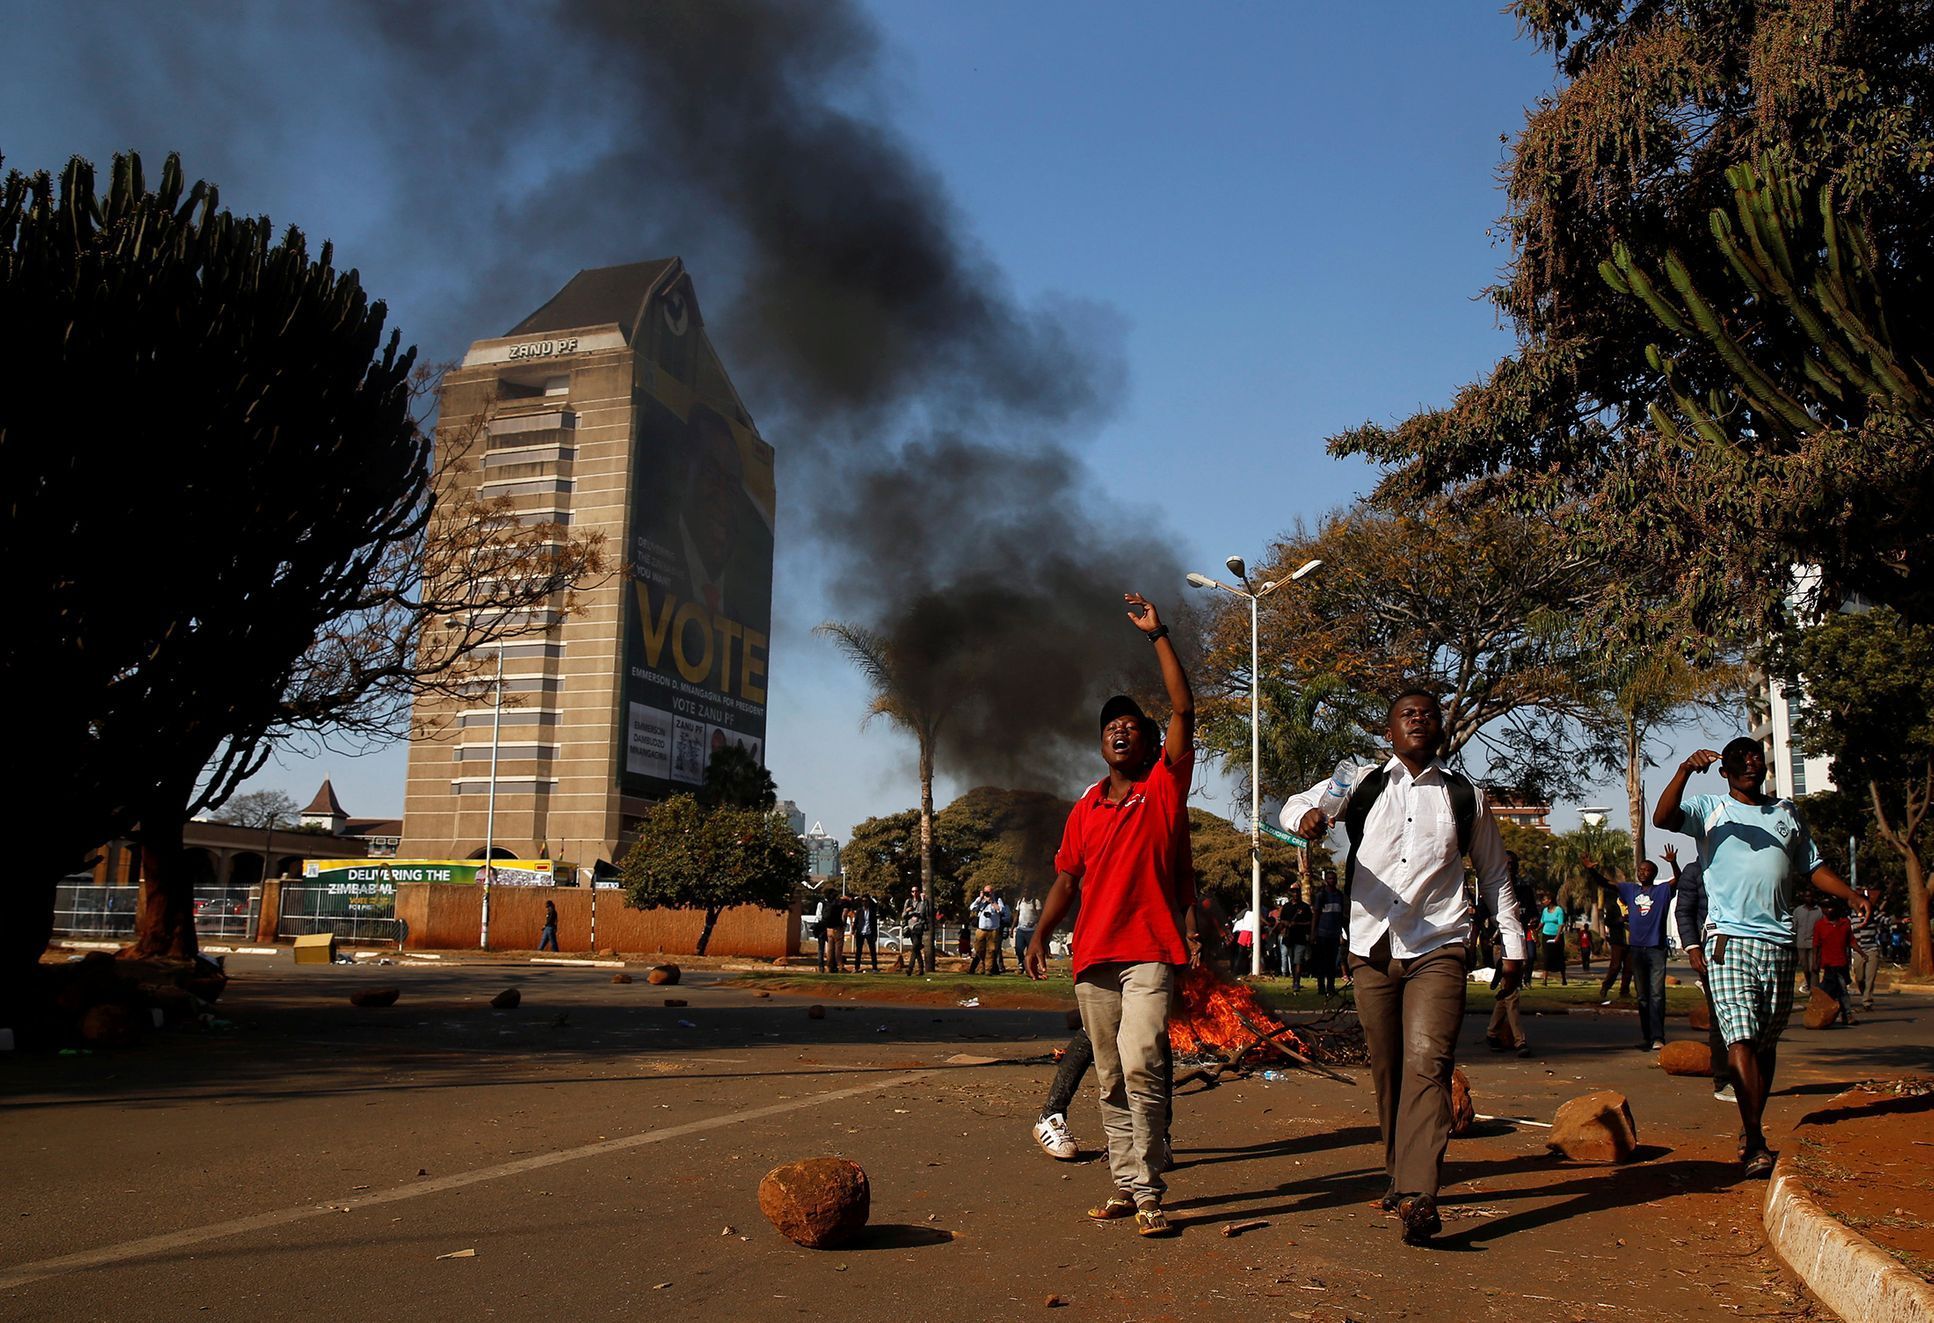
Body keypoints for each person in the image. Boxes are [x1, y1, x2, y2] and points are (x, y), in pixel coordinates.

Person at [1282, 689, 1526, 1245]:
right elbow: (1293, 804)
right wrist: (1311, 818)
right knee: (1388, 1067)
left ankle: (1420, 1193)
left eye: (1428, 714)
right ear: (1388, 730)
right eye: (1406, 714)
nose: (1419, 719)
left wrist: (1512, 943)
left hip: (1439, 945)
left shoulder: (1466, 796)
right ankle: (1398, 1173)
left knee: (1427, 1063)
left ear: (1440, 729)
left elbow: (1493, 875)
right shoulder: (1361, 783)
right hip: (1370, 948)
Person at [1027, 591, 1195, 1239]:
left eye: (1133, 725)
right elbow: (1066, 879)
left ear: (1153, 744)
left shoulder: (1163, 789)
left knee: (1145, 1062)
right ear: (1101, 744)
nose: (1121, 728)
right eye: (1110, 726)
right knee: (1110, 1079)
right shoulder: (1085, 807)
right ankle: (1128, 1186)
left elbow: (1183, 706)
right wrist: (1042, 931)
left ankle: (1150, 1189)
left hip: (1150, 953)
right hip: (1093, 958)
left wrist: (1158, 635)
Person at [1653, 738, 1870, 1177]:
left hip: (1779, 941)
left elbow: (1812, 866)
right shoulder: (1710, 809)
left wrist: (1850, 894)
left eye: (1756, 758)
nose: (1751, 764)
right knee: (1740, 1038)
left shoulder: (1787, 813)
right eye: (1740, 759)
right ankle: (1755, 1141)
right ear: (1725, 770)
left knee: (1765, 1044)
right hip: (1727, 940)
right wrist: (1682, 771)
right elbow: (1663, 818)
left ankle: (1750, 1127)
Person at [1591, 854, 1677, 1050]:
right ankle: (1647, 1037)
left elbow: (1677, 880)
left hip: (1656, 948)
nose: (1642, 873)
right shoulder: (1630, 890)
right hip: (1636, 949)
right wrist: (1591, 869)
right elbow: (1605, 883)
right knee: (1642, 996)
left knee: (1657, 995)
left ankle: (1658, 1037)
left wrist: (1673, 863)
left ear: (1654, 873)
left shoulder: (1662, 891)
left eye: (1646, 870)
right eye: (1640, 870)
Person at [1672, 854, 1736, 1102]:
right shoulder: (1694, 870)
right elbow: (1684, 911)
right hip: (1713, 950)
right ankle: (1724, 1081)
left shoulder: (1740, 863)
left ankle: (1750, 1076)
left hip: (1749, 945)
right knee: (1720, 1017)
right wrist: (1693, 948)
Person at [1485, 852, 1534, 1058]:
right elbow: (1481, 919)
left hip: (1519, 942)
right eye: (1506, 864)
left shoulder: (1524, 890)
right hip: (1500, 944)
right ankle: (1519, 1040)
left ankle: (1492, 1032)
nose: (1510, 867)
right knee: (1511, 992)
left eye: (1513, 864)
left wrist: (1534, 922)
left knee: (1507, 991)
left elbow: (1533, 914)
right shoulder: (1492, 889)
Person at [1813, 900, 1857, 1026]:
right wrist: (1815, 962)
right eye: (1825, 908)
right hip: (1828, 963)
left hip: (1842, 962)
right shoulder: (1820, 925)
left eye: (1830, 907)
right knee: (1839, 989)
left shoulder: (1845, 923)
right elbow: (1816, 945)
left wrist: (1861, 953)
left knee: (1839, 988)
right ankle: (1846, 1013)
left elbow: (1851, 941)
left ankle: (1842, 1014)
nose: (1828, 910)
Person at [1598, 871, 1633, 1004]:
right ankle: (1606, 986)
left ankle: (1625, 991)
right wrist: (1620, 920)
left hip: (1631, 940)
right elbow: (1608, 921)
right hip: (1618, 940)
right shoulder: (1613, 905)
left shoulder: (1633, 904)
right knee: (1615, 966)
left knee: (1629, 968)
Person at [1310, 875, 1346, 997]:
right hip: (1322, 934)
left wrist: (1342, 933)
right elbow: (1316, 915)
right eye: (1330, 878)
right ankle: (1321, 987)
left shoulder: (1340, 896)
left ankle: (1331, 987)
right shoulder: (1321, 896)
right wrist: (1313, 933)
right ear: (1326, 881)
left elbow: (1341, 916)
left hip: (1334, 934)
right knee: (1322, 962)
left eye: (1334, 879)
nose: (1332, 881)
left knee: (1332, 963)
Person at [1849, 888, 1883, 1011]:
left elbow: (1887, 920)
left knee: (1870, 977)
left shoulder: (1874, 914)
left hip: (1871, 949)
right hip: (1858, 951)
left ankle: (1867, 1001)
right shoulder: (1851, 916)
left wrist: (1901, 920)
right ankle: (1864, 994)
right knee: (1859, 977)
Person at [1791, 890, 1823, 994]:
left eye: (1811, 896)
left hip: (1814, 944)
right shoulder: (1798, 911)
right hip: (1801, 944)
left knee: (1814, 968)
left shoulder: (1819, 911)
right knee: (1805, 968)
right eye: (1806, 896)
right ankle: (1809, 984)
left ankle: (1815, 992)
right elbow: (1794, 927)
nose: (1809, 898)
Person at [1282, 891, 1314, 992]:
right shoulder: (1286, 906)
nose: (1295, 896)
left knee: (1298, 960)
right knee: (1292, 961)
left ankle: (1297, 983)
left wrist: (1298, 924)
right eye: (1293, 894)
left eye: (1297, 894)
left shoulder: (1304, 907)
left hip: (1300, 938)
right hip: (1289, 937)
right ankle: (1294, 981)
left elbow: (1310, 921)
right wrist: (1286, 923)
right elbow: (1281, 919)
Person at [969, 886, 1004, 974]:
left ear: (992, 892)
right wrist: (980, 898)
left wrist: (992, 901)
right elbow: (972, 908)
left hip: (993, 930)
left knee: (991, 950)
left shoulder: (997, 900)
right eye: (986, 892)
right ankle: (984, 966)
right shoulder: (980, 900)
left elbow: (1001, 910)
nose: (987, 894)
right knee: (979, 949)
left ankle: (988, 970)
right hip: (981, 929)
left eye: (989, 892)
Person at [1537, 894, 1568, 986]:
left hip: (1557, 936)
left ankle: (1563, 978)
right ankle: (1545, 980)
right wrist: (1536, 930)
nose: (1543, 902)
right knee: (1546, 957)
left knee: (1559, 957)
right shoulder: (1545, 911)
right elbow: (1542, 922)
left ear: (1550, 900)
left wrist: (1557, 937)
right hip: (1546, 935)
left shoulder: (1559, 910)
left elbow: (1561, 924)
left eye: (1544, 900)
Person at [901, 886, 931, 975]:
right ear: (911, 893)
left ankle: (910, 969)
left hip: (918, 927)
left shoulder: (923, 902)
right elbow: (903, 915)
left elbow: (924, 913)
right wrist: (907, 911)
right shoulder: (908, 902)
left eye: (916, 891)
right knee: (916, 949)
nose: (915, 893)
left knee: (914, 948)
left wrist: (923, 901)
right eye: (913, 891)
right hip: (910, 928)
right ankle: (921, 969)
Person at [851, 894, 879, 971]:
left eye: (866, 901)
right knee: (858, 951)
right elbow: (856, 921)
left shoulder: (872, 911)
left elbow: (874, 924)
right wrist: (853, 929)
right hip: (860, 933)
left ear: (868, 902)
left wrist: (875, 935)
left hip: (869, 932)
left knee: (872, 951)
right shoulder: (859, 911)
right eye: (863, 901)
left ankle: (874, 968)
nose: (864, 903)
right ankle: (857, 967)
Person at [1013, 893, 1042, 972]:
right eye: (1024, 892)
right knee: (1018, 949)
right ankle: (1021, 964)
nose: (1025, 894)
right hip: (1020, 929)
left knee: (1031, 951)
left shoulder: (1035, 902)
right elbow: (1016, 915)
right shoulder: (1020, 902)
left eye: (1027, 892)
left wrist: (1034, 922)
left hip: (1031, 931)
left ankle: (1031, 967)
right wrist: (1012, 928)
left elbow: (1040, 916)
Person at [822, 891, 847, 972]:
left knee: (830, 950)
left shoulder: (827, 904)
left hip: (829, 929)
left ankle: (829, 967)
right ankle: (840, 966)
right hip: (837, 929)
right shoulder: (838, 904)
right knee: (838, 950)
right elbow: (843, 914)